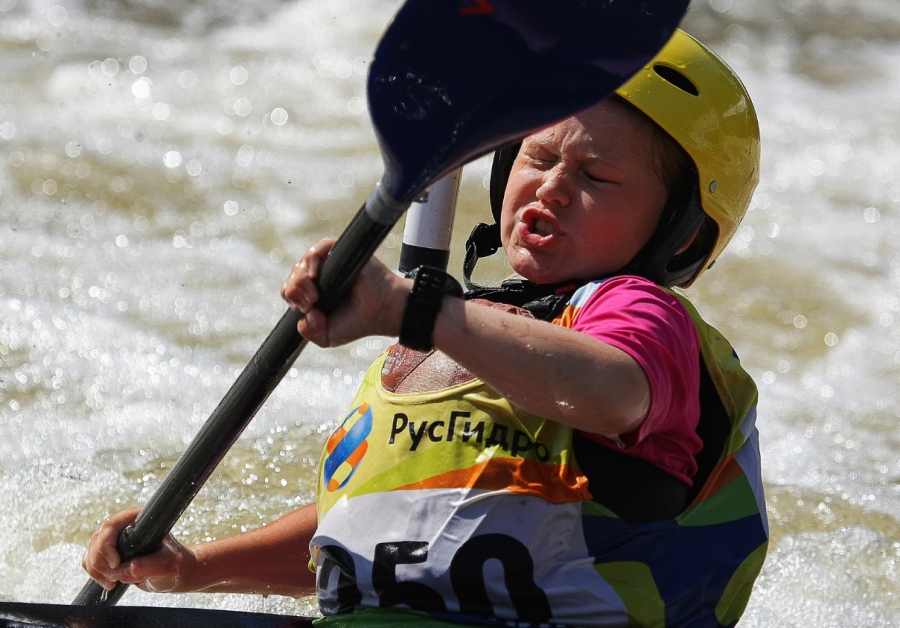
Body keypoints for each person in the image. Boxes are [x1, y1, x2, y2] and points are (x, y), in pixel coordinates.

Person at [83, 30, 768, 628]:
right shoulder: (458, 330)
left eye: (597, 176)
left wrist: (411, 309)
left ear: (680, 234)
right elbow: (371, 533)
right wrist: (196, 568)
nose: (553, 187)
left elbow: (611, 390)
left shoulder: (639, 312)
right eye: (536, 157)